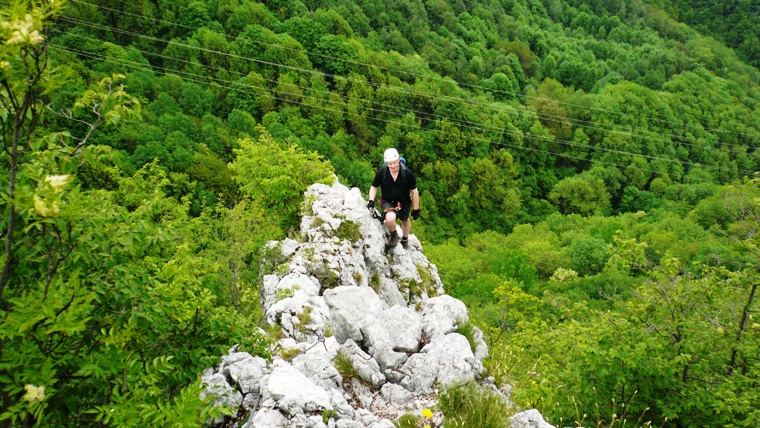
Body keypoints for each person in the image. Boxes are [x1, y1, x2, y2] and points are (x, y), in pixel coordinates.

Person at [367, 148, 420, 248]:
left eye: (394, 163)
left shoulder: (407, 173)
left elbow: (414, 191)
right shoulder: (382, 172)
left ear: (399, 160)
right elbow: (374, 186)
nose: (393, 166)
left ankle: (405, 239)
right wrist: (371, 201)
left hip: (404, 201)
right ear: (386, 163)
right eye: (390, 164)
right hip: (387, 200)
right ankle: (393, 234)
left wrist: (416, 209)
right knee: (390, 219)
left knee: (405, 220)